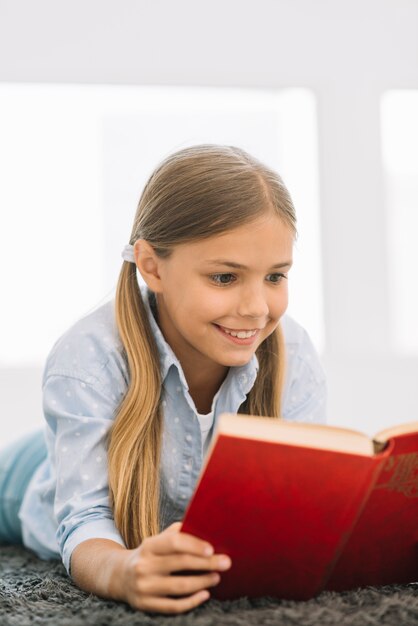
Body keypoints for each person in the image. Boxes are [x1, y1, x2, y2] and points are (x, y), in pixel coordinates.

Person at [0, 144, 326, 614]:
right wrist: (126, 571)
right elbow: (86, 518)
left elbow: (297, 510)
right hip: (28, 474)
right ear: (152, 266)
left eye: (275, 277)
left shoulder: (293, 353)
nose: (257, 307)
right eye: (224, 278)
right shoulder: (88, 357)